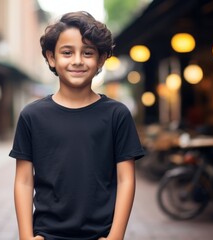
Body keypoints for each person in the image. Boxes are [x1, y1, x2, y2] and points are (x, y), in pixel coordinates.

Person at [9, 11, 145, 240]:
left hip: (100, 234)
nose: (78, 60)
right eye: (67, 52)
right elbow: (23, 180)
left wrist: (116, 237)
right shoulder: (32, 115)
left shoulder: (117, 115)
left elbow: (126, 179)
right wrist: (25, 236)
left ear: (101, 59)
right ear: (51, 58)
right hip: (46, 234)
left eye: (88, 52)